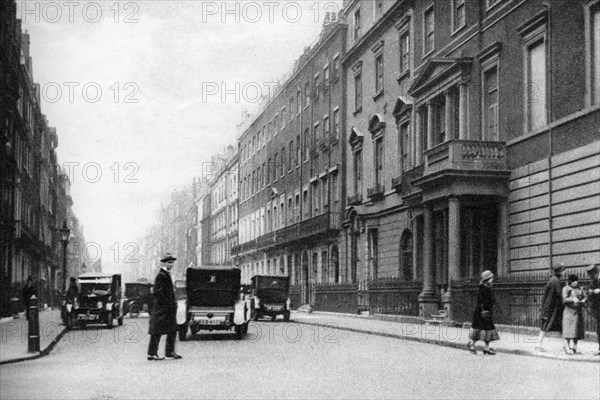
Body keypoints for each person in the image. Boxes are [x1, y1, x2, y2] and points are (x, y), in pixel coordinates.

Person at [147, 253, 182, 361]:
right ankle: (152, 353)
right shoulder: (161, 275)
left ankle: (169, 352)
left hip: (168, 308)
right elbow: (158, 292)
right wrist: (166, 303)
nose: (171, 264)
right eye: (169, 262)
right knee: (157, 331)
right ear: (164, 263)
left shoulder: (166, 274)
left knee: (172, 330)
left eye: (172, 262)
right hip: (162, 309)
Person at [467, 270, 499, 355]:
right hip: (481, 313)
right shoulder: (482, 288)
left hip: (487, 312)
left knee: (488, 330)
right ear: (487, 279)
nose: (492, 279)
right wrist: (484, 310)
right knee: (478, 329)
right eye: (491, 278)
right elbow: (481, 301)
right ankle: (471, 344)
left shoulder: (488, 287)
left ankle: (486, 348)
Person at [536, 263, 566, 351]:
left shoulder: (553, 279)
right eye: (563, 270)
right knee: (545, 326)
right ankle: (538, 344)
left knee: (560, 327)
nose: (565, 272)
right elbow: (559, 294)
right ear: (560, 271)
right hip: (552, 308)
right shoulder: (556, 280)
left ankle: (565, 345)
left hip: (552, 307)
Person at [561, 274, 586, 354]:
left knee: (577, 331)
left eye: (576, 281)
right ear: (570, 281)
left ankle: (575, 347)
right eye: (574, 281)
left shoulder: (580, 288)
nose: (576, 283)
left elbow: (585, 296)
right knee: (568, 331)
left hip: (577, 312)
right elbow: (564, 300)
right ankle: (567, 347)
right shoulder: (566, 288)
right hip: (569, 312)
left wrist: (584, 300)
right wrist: (572, 299)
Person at [586, 264, 600, 356]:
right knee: (599, 329)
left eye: (592, 275)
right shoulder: (593, 282)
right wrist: (590, 292)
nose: (591, 277)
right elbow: (589, 294)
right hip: (598, 309)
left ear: (596, 272)